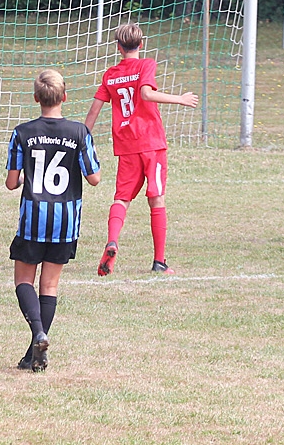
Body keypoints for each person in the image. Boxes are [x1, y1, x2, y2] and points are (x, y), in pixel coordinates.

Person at [83, 21, 199, 276]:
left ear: (118, 46)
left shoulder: (110, 74)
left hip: (126, 145)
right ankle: (159, 261)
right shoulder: (146, 64)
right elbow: (146, 94)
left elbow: (94, 111)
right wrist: (180, 99)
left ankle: (112, 241)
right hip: (150, 143)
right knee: (156, 198)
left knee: (121, 198)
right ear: (141, 44)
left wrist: (82, 138)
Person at [6, 69, 101, 372]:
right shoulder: (79, 132)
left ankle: (37, 335)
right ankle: (34, 351)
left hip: (33, 219)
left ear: (36, 98)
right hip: (65, 222)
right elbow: (94, 177)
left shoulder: (22, 132)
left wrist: (28, 178)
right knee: (49, 285)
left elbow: (11, 182)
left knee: (24, 281)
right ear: (65, 97)